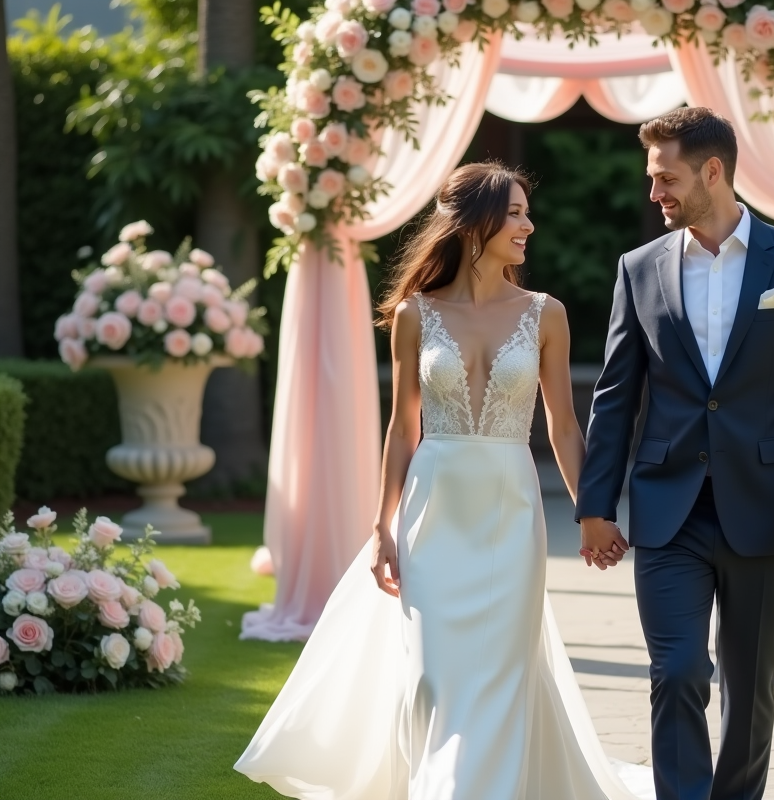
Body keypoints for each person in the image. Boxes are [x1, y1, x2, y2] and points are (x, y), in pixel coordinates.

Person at [235, 162, 643, 800]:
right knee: (433, 676)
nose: (527, 225)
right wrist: (382, 528)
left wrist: (592, 512)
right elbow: (403, 428)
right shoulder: (414, 315)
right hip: (433, 510)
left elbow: (564, 427)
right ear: (473, 223)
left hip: (511, 511)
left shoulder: (547, 315)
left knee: (504, 670)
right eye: (513, 212)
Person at [575, 107, 774, 800]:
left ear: (714, 171)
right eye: (651, 178)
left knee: (751, 689)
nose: (655, 193)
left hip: (765, 511)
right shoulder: (638, 270)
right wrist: (595, 507)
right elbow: (616, 396)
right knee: (676, 673)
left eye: (665, 177)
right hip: (668, 510)